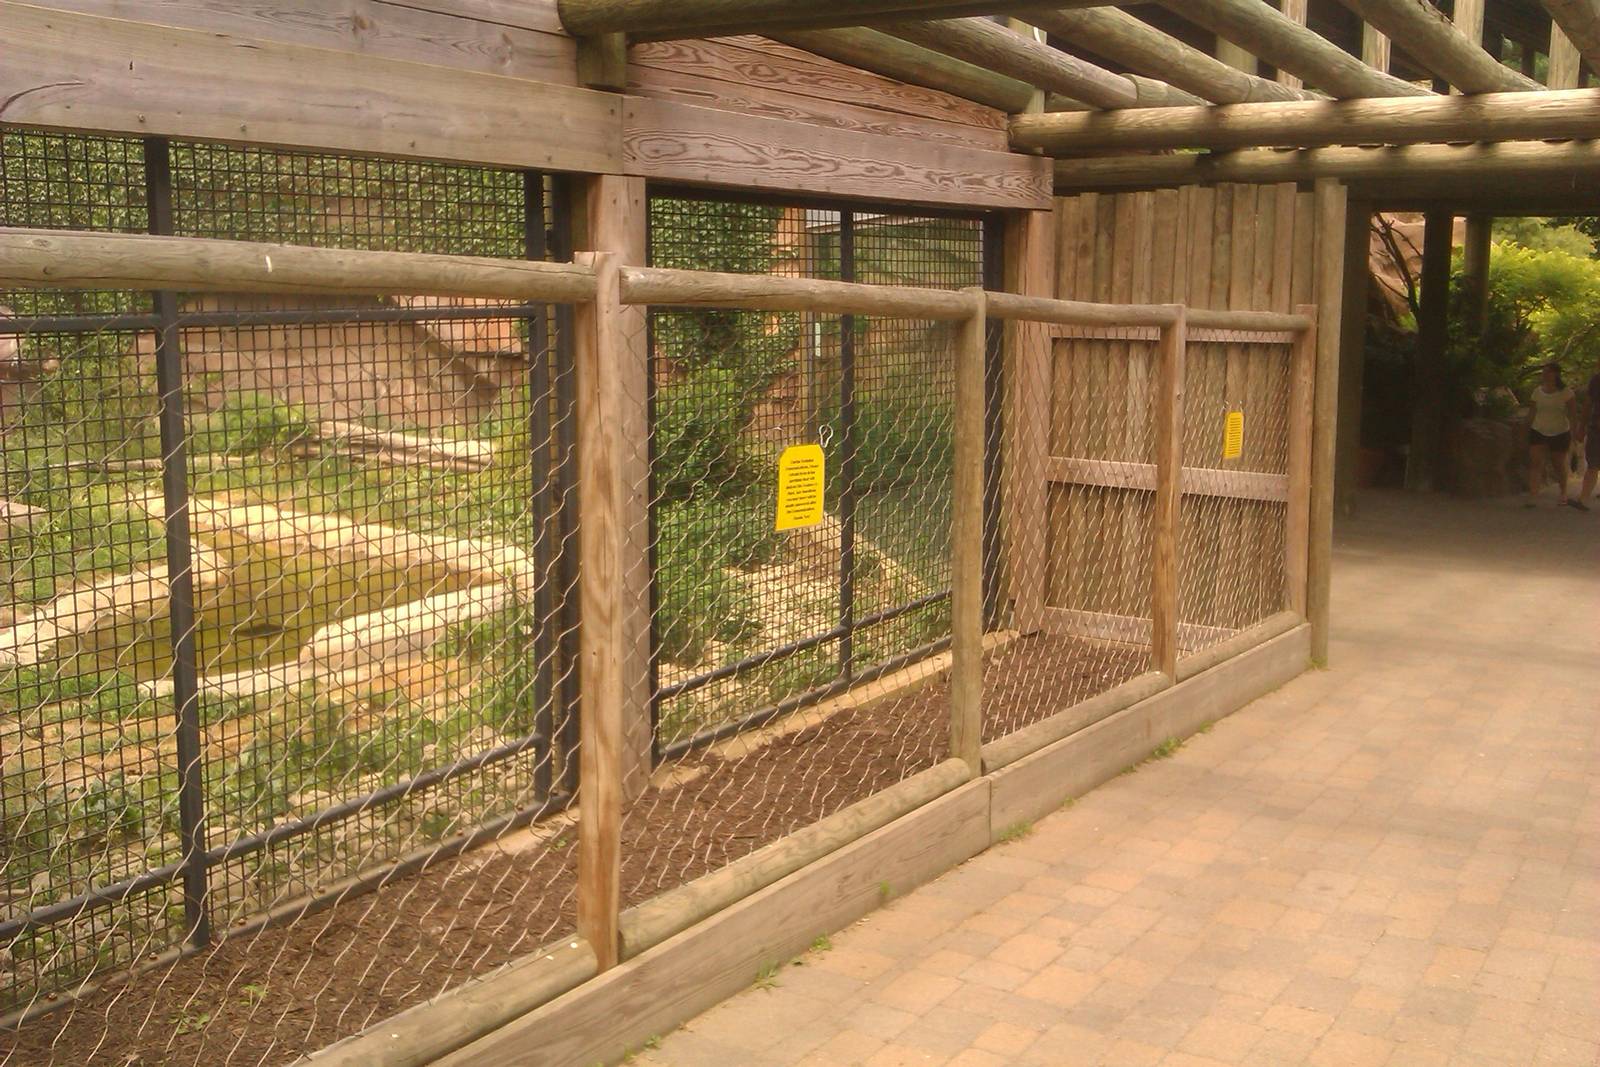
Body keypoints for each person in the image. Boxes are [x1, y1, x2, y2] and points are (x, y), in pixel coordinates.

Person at [1526, 363, 1582, 510]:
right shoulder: (1537, 392)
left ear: (1556, 374)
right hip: (1538, 429)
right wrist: (1527, 426)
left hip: (1559, 431)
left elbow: (1572, 414)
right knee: (1535, 463)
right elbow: (1532, 411)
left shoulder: (1566, 393)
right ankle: (1533, 495)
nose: (1544, 374)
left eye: (1548, 372)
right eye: (1543, 372)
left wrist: (1575, 433)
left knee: (1558, 464)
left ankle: (1563, 492)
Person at [1582, 358, 1600, 505]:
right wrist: (1582, 426)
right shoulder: (1596, 380)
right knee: (1592, 464)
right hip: (1596, 428)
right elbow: (1588, 404)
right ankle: (1584, 498)